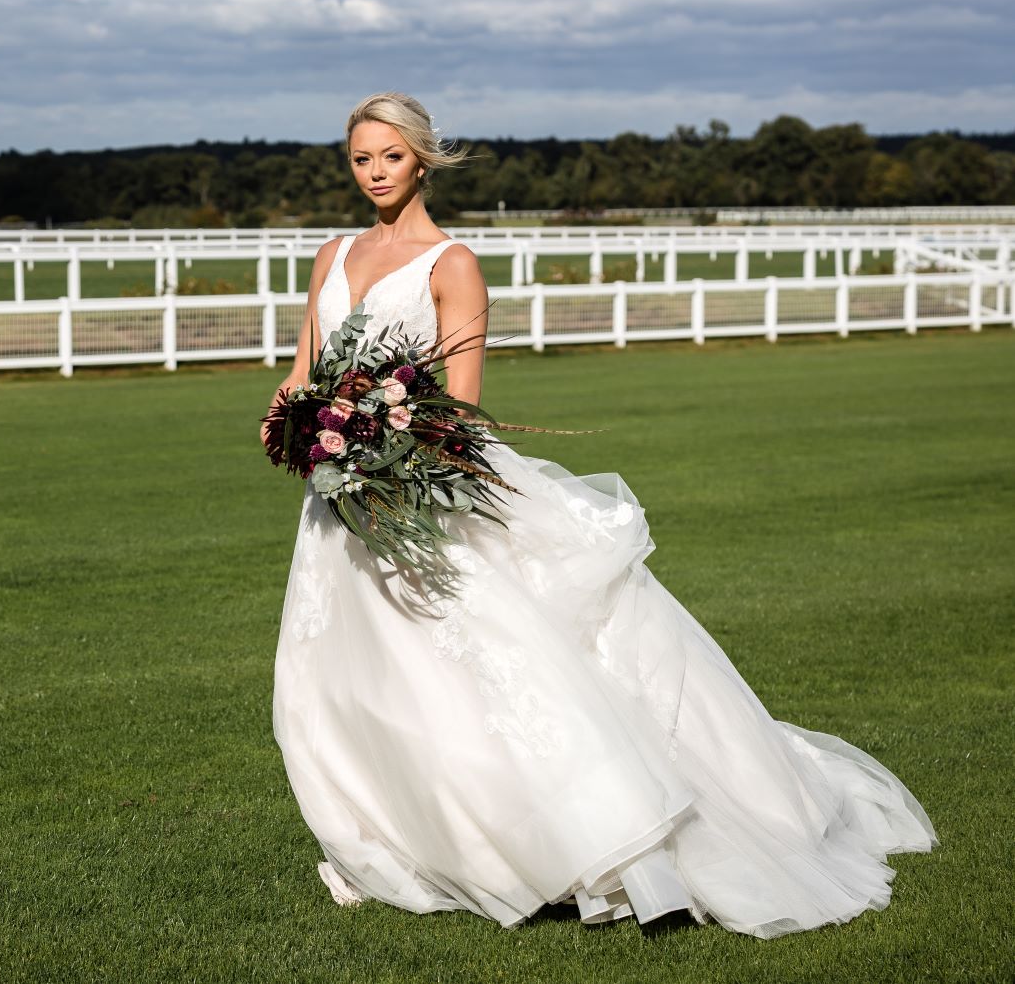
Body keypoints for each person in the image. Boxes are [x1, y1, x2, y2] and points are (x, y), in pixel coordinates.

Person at [264, 92, 935, 939]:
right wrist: (293, 422)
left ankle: (549, 839)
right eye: (360, 159)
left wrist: (384, 447)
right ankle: (393, 834)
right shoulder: (330, 254)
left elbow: (461, 406)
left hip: (415, 491)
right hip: (335, 504)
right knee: (345, 681)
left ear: (421, 161)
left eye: (389, 157)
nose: (374, 173)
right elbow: (302, 372)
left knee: (478, 668)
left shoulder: (451, 263)